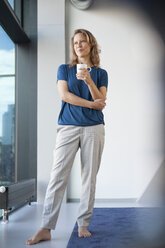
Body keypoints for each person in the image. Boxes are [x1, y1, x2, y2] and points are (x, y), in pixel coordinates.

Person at [26, 28, 108, 245]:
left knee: (89, 178)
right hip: (68, 128)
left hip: (94, 128)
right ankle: (45, 227)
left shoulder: (101, 73)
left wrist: (89, 81)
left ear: (91, 45)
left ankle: (83, 224)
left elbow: (103, 101)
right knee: (57, 176)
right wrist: (91, 104)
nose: (78, 45)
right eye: (75, 43)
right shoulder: (64, 69)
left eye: (82, 42)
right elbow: (65, 95)